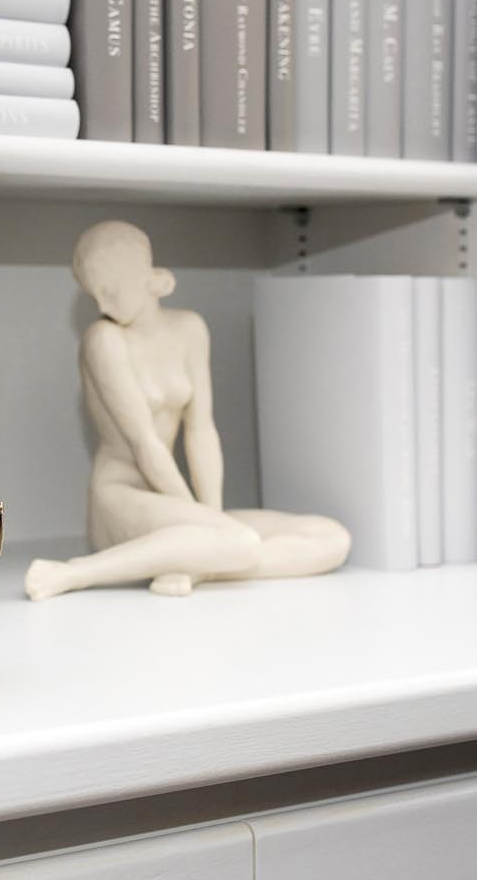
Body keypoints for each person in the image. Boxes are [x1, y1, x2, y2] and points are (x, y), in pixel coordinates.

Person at [25, 221, 350, 601]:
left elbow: (201, 431)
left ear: (141, 273)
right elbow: (145, 444)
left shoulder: (190, 329)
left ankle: (196, 565)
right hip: (121, 497)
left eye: (109, 290)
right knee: (236, 540)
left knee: (332, 538)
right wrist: (213, 527)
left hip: (177, 505)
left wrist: (211, 516)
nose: (102, 305)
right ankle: (77, 573)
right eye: (94, 294)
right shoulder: (104, 340)